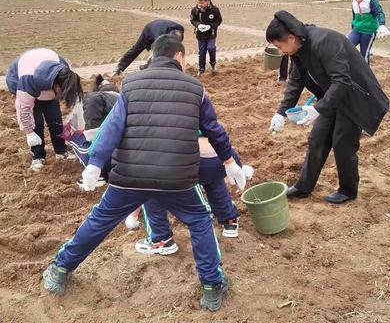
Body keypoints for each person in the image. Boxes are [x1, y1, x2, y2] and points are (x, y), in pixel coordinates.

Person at [43, 35, 247, 312]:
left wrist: (95, 162)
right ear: (179, 57)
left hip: (129, 176)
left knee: (100, 219)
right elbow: (214, 130)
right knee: (199, 220)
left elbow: (112, 127)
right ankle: (212, 287)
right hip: (178, 178)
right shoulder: (194, 88)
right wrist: (229, 161)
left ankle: (60, 270)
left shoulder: (131, 84)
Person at [267, 11, 389, 204]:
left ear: (291, 38)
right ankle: (303, 187)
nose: (281, 51)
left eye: (279, 46)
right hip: (332, 97)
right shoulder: (298, 50)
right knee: (317, 138)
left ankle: (348, 190)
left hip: (354, 97)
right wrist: (280, 113)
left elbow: (342, 81)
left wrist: (317, 109)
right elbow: (296, 82)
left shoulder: (324, 42)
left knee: (342, 143)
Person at [134, 134, 254, 255]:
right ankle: (229, 221)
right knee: (214, 182)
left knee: (150, 189)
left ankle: (161, 240)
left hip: (186, 158)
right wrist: (233, 161)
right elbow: (214, 129)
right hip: (218, 154)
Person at [6, 48, 83, 171]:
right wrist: (29, 132)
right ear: (56, 85)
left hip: (48, 81)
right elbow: (24, 109)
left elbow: (75, 95)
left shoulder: (66, 73)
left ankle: (61, 151)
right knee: (36, 123)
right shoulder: (28, 80)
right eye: (61, 91)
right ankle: (37, 156)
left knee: (55, 118)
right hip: (22, 80)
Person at [60, 74, 119, 187]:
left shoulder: (95, 97)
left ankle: (99, 175)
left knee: (75, 138)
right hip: (129, 158)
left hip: (108, 155)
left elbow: (93, 130)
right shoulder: (124, 100)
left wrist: (89, 136)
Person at [114, 19, 184, 74]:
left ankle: (147, 67)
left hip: (159, 27)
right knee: (136, 49)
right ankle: (120, 67)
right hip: (149, 30)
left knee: (167, 52)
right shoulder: (159, 35)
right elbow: (157, 52)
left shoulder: (179, 32)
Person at [348, 0, 390, 64]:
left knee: (364, 55)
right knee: (346, 46)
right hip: (357, 30)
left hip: (368, 32)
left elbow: (379, 12)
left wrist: (382, 24)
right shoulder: (354, 2)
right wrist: (353, 28)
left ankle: (365, 76)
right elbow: (354, 17)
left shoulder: (371, 0)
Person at [190, 0, 222, 76]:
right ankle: (201, 69)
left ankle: (213, 64)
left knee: (211, 48)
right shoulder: (195, 10)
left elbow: (219, 21)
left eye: (202, 3)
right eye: (198, 2)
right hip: (200, 35)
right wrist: (198, 25)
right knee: (202, 52)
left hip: (211, 34)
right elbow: (192, 20)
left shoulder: (215, 10)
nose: (200, 5)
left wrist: (210, 26)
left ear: (208, 0)